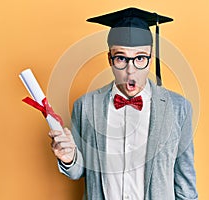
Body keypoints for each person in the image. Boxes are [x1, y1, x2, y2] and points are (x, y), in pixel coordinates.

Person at [48, 7, 198, 200]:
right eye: (121, 58)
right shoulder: (85, 106)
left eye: (140, 58)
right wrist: (68, 158)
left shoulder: (179, 108)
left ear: (151, 59)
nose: (130, 71)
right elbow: (78, 171)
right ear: (109, 59)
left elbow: (185, 187)